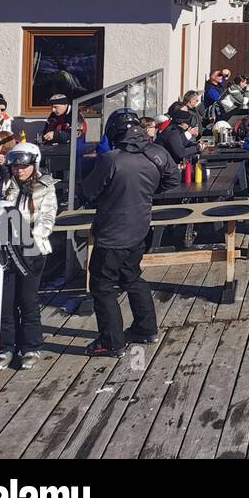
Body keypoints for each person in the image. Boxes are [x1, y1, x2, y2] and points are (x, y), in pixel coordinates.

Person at [80, 109, 180, 357]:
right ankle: (146, 329)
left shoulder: (111, 159)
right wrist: (145, 192)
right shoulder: (156, 153)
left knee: (102, 286)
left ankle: (111, 342)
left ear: (115, 132)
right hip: (140, 227)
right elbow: (173, 179)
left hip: (112, 231)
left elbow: (90, 192)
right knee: (132, 276)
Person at [0, 143, 58, 370]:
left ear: (34, 164)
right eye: (15, 166)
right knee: (6, 300)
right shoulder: (6, 185)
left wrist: (31, 237)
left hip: (32, 249)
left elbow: (47, 216)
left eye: (24, 166)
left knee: (27, 299)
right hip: (7, 249)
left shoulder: (45, 186)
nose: (19, 171)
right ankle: (7, 346)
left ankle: (31, 346)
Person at [157, 107, 200, 173]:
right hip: (164, 167)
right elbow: (181, 153)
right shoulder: (173, 132)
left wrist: (196, 145)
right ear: (183, 123)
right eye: (188, 123)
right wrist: (196, 148)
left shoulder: (176, 130)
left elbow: (183, 142)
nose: (189, 125)